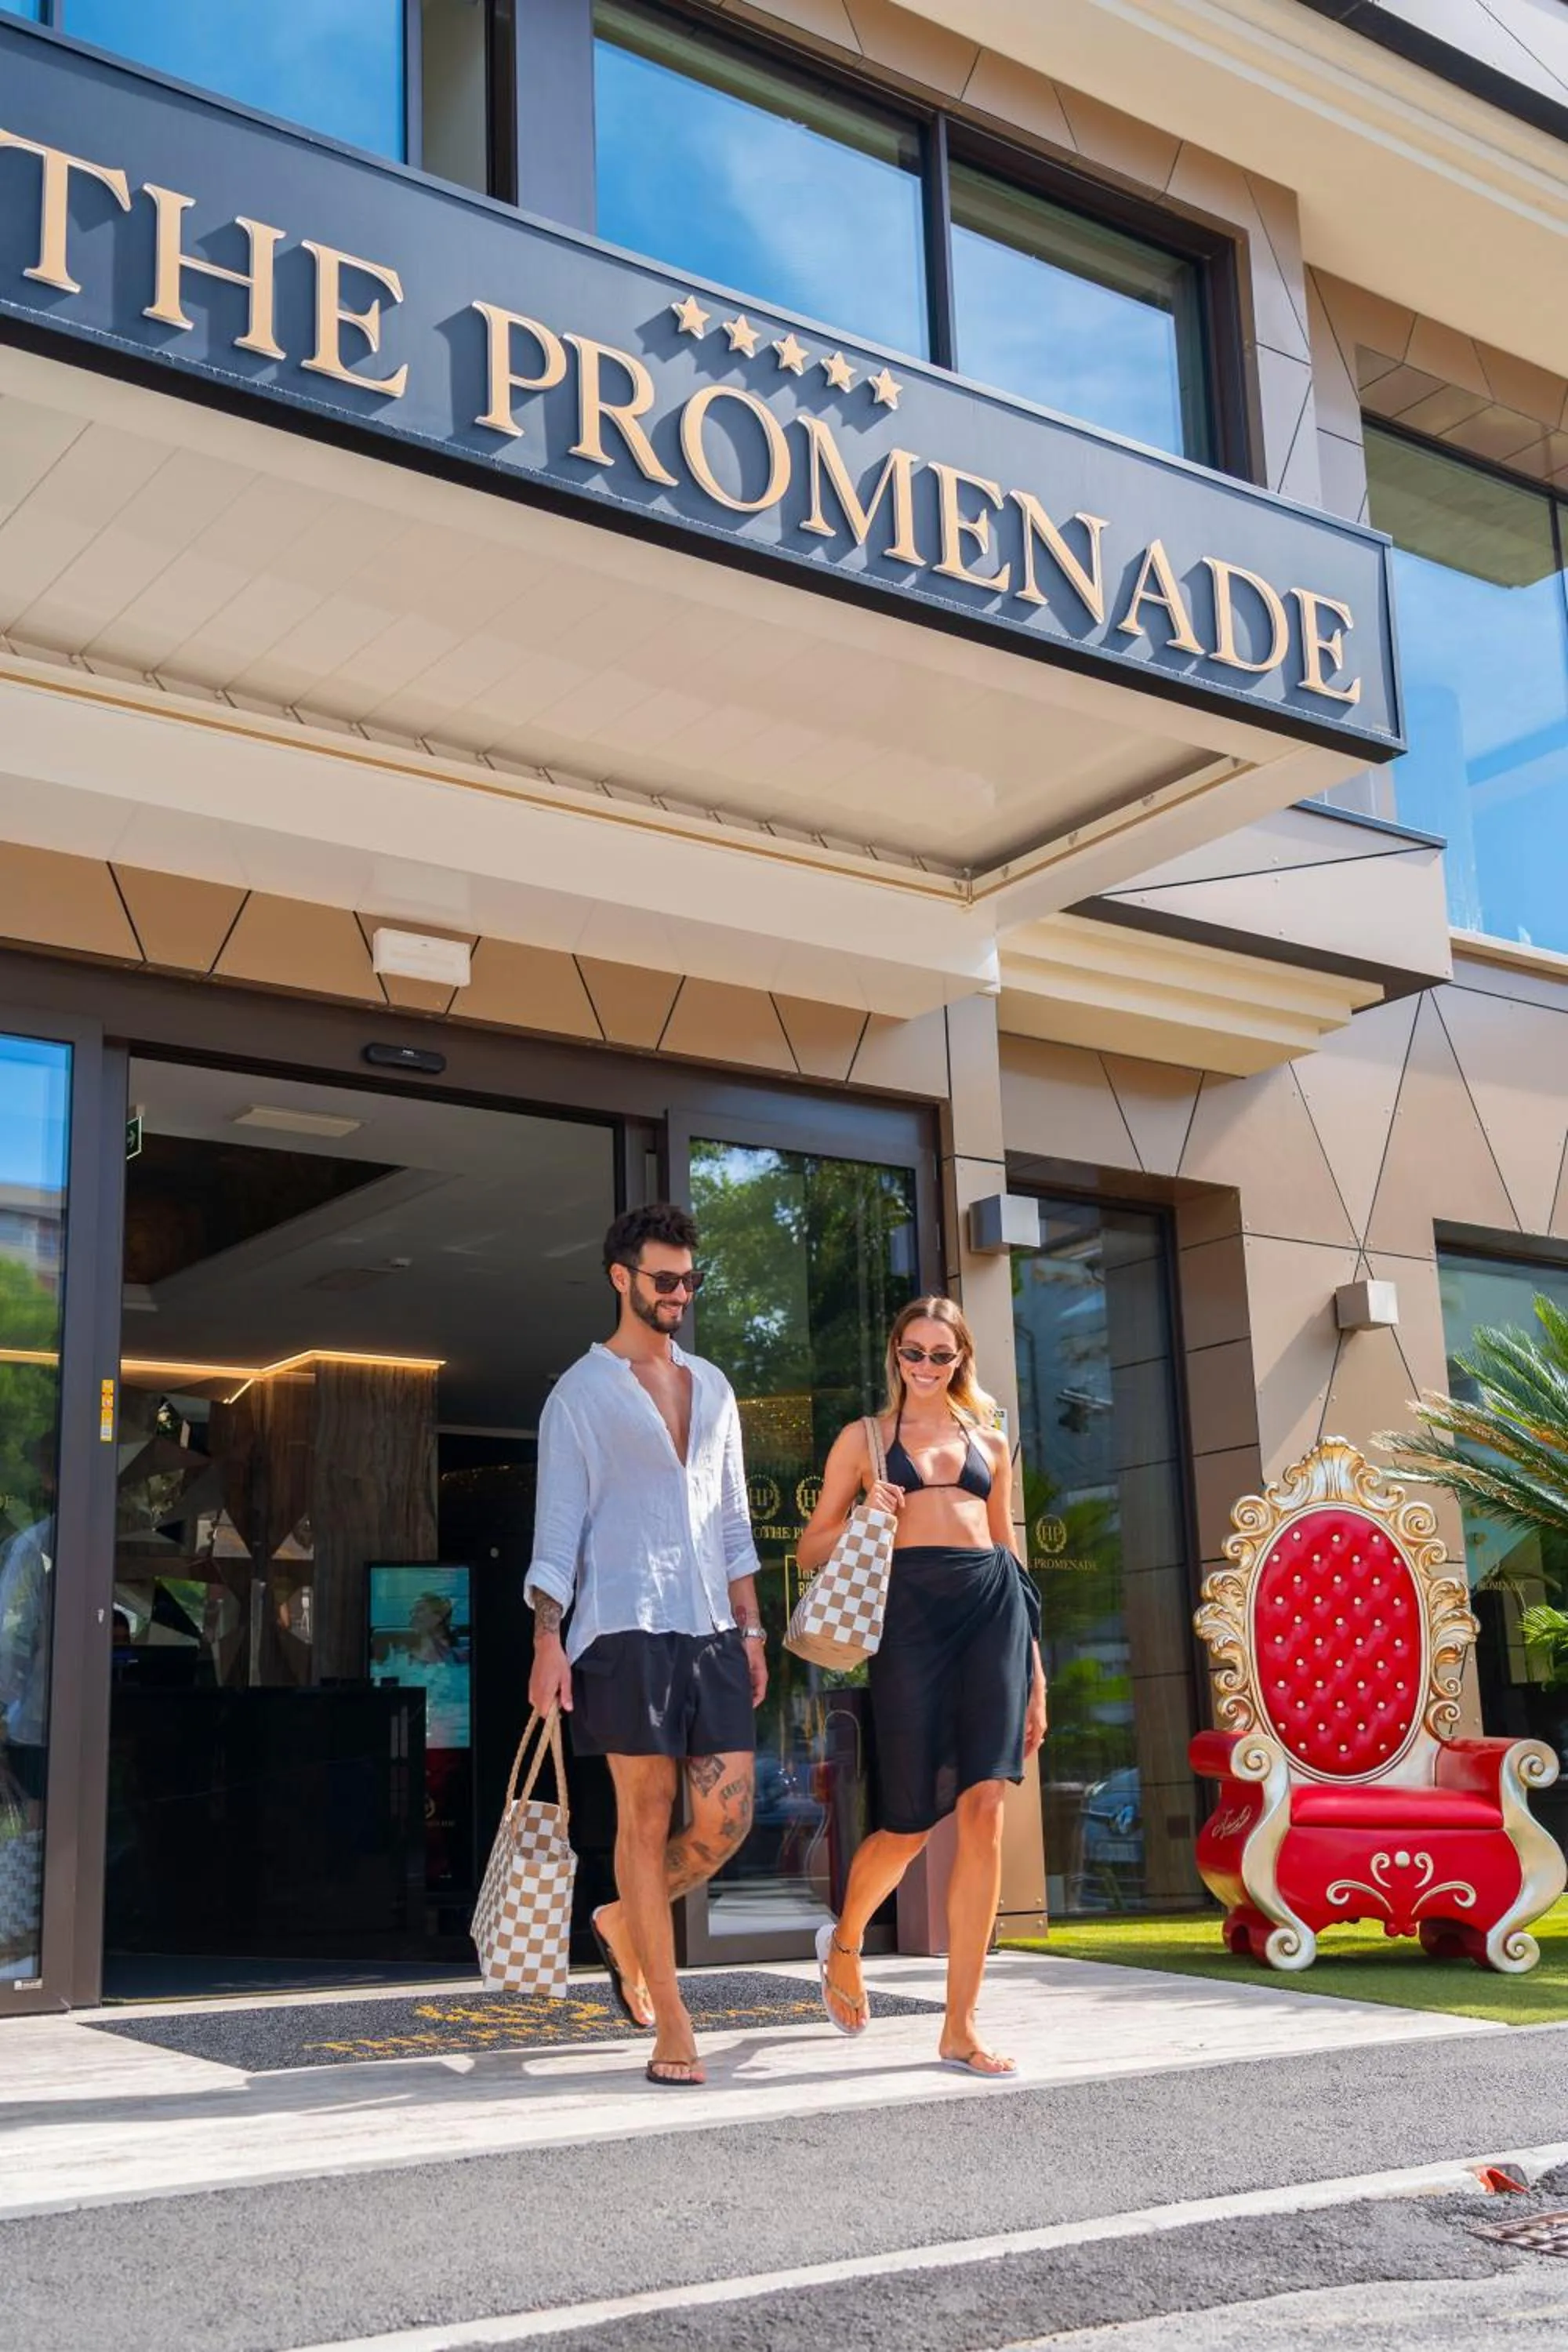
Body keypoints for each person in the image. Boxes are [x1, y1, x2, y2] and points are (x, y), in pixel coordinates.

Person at [525, 1202, 766, 2089]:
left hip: (710, 1626)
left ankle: (622, 1922)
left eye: (690, 1280)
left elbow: (733, 1520)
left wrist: (750, 1627)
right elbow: (558, 1530)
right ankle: (671, 2018)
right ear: (620, 1278)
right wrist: (547, 1639)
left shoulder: (714, 1386)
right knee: (646, 1812)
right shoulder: (579, 1395)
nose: (680, 1294)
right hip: (622, 1625)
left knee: (728, 1818)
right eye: (665, 1280)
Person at [796, 1295, 1047, 2076]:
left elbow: (1007, 1548)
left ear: (960, 1358)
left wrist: (1035, 1666)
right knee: (907, 1824)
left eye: (942, 1354)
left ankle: (960, 2026)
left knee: (985, 1806)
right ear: (895, 1355)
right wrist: (863, 1512)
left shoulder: (990, 1441)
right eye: (914, 1352)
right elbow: (810, 1549)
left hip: (993, 1614)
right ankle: (844, 1942)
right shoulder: (864, 1440)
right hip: (909, 1622)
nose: (927, 1367)